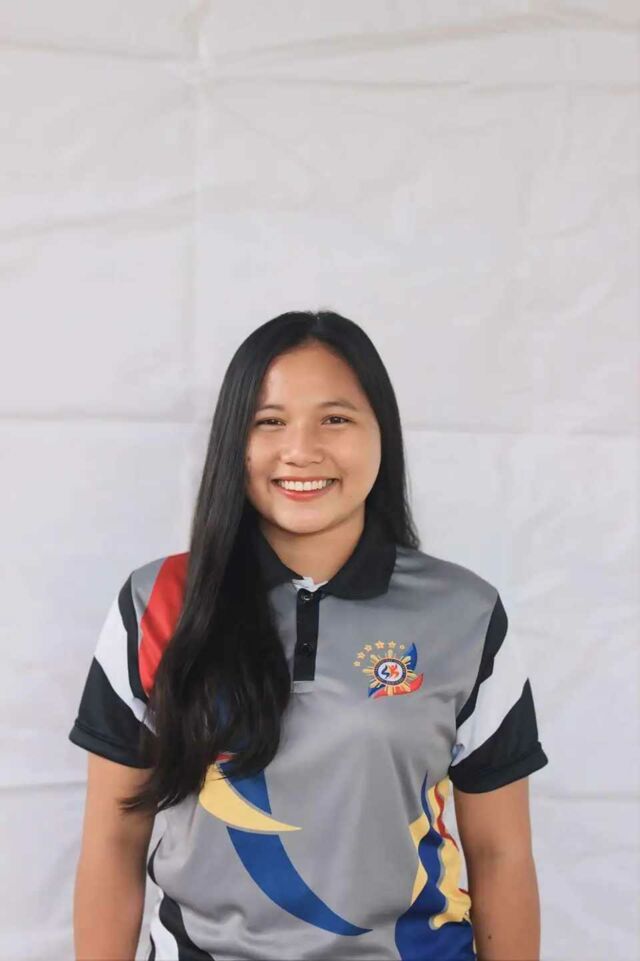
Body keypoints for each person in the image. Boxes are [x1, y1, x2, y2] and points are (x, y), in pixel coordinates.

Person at [68, 309, 549, 961]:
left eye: (335, 419)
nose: (301, 450)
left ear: (382, 433)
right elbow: (112, 841)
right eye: (269, 421)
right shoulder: (155, 602)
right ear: (234, 439)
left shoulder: (465, 614)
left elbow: (500, 852)